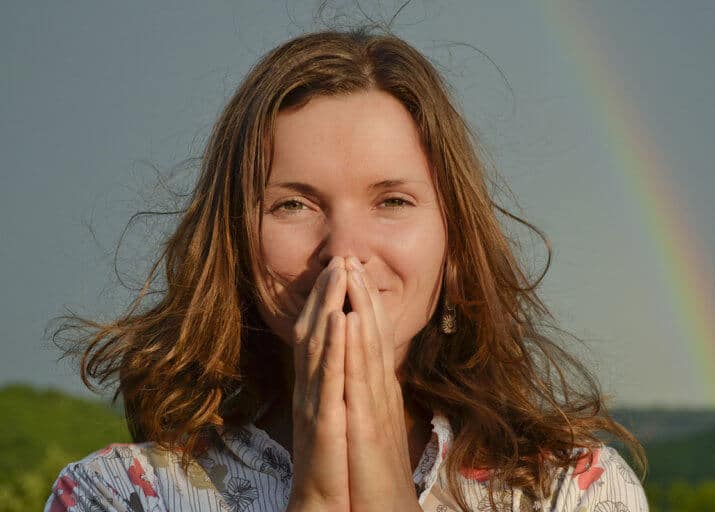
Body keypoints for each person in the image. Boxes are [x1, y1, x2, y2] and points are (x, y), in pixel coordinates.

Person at [45, 26, 649, 512]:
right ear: (232, 244)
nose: (344, 249)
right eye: (293, 205)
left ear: (455, 242)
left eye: (392, 200)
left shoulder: (574, 492)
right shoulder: (120, 495)